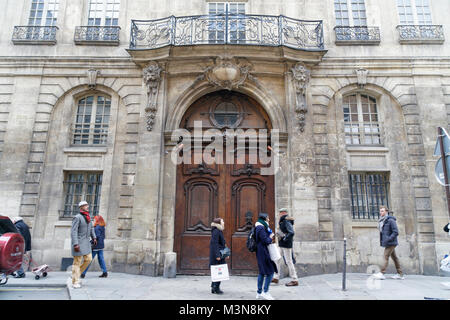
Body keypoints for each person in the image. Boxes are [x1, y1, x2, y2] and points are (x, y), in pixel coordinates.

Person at [372, 206, 404, 280]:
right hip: (388, 242)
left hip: (391, 242)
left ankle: (382, 273)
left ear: (386, 212)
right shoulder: (382, 221)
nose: (381, 212)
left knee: (385, 256)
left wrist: (389, 239)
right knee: (395, 258)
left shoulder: (390, 220)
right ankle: (400, 274)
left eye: (382, 211)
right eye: (380, 211)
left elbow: (396, 232)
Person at [70, 201, 97, 289]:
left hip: (86, 242)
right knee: (77, 262)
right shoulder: (77, 217)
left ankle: (75, 274)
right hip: (78, 242)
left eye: (87, 205)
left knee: (88, 259)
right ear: (81, 207)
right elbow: (73, 231)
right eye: (85, 205)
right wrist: (75, 244)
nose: (87, 206)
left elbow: (92, 228)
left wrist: (94, 237)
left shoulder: (88, 217)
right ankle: (75, 281)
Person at [272, 208, 298, 286]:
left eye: (280, 213)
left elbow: (291, 232)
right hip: (281, 244)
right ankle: (276, 277)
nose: (279, 214)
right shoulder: (282, 220)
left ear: (283, 213)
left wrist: (284, 238)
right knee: (277, 259)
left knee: (289, 261)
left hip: (286, 244)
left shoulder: (286, 221)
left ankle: (294, 279)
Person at [255, 212, 277, 300]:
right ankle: (265, 292)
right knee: (270, 272)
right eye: (268, 218)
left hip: (262, 251)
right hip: (263, 252)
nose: (269, 219)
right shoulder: (260, 227)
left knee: (262, 272)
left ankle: (259, 293)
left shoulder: (261, 226)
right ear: (264, 218)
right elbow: (265, 240)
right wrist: (271, 237)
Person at [210, 217, 227, 294]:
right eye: (222, 221)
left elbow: (222, 243)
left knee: (217, 271)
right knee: (219, 272)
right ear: (219, 223)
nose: (224, 222)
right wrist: (217, 255)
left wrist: (226, 253)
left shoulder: (218, 230)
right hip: (218, 254)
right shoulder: (216, 231)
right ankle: (216, 288)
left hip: (220, 253)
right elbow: (215, 244)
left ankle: (214, 287)